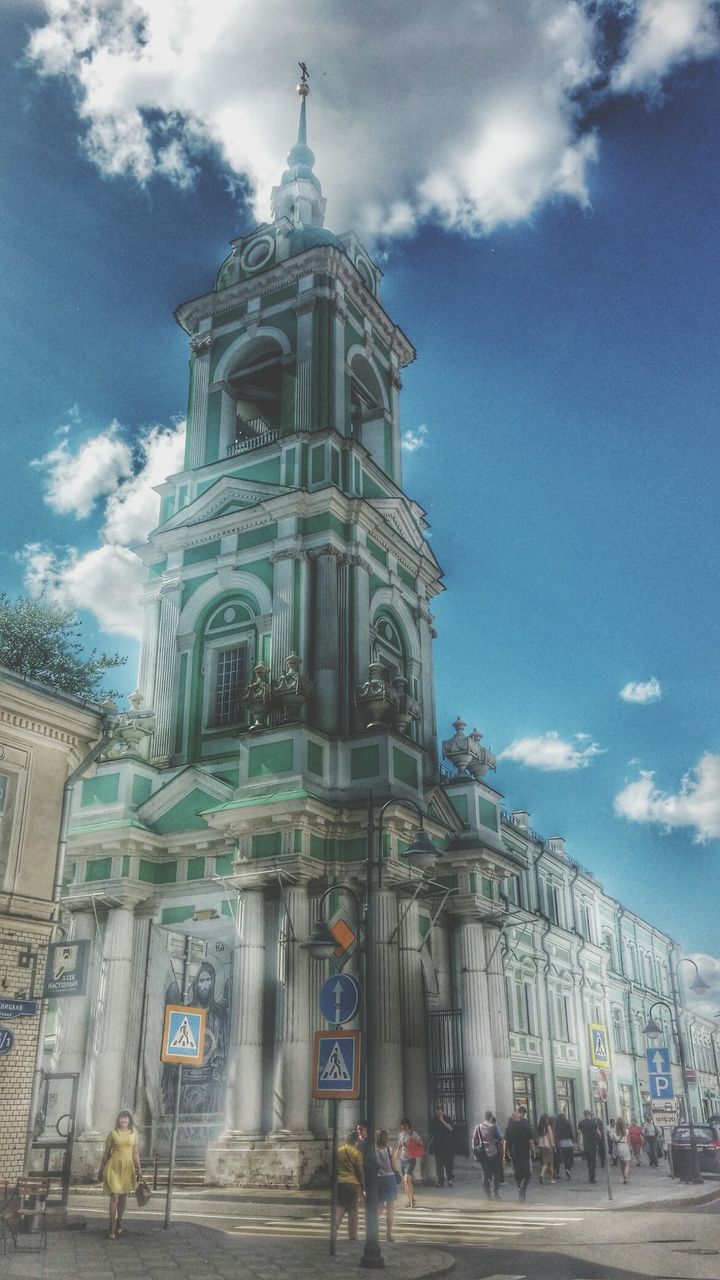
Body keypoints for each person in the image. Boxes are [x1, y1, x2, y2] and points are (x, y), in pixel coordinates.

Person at [98, 1110, 143, 1239]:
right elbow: (106, 1153)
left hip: (128, 1167)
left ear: (129, 1120)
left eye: (126, 1119)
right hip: (114, 1167)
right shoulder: (113, 1134)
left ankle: (119, 1221)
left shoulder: (134, 1133)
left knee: (123, 1197)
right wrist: (101, 1170)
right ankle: (112, 1226)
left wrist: (139, 1169)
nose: (123, 1121)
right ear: (118, 1120)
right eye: (121, 1118)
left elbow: (135, 1153)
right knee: (115, 1196)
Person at [336, 1131, 365, 1240]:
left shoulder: (339, 1151)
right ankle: (353, 1235)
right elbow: (359, 1171)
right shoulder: (357, 1153)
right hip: (353, 1184)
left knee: (341, 1206)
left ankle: (334, 1227)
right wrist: (363, 1183)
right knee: (353, 1209)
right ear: (355, 1141)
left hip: (340, 1183)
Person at [503, 1109, 536, 1201]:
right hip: (525, 1152)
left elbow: (505, 1142)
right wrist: (533, 1151)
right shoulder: (525, 1126)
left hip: (514, 1154)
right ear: (519, 1117)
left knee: (518, 1174)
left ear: (513, 1118)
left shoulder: (509, 1128)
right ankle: (522, 1188)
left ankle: (520, 1191)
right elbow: (530, 1141)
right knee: (527, 1173)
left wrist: (505, 1154)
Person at [473, 1110, 504, 1198]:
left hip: (483, 1153)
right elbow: (501, 1137)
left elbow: (474, 1140)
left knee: (485, 1173)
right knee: (496, 1173)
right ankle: (496, 1192)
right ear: (491, 1117)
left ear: (484, 1117)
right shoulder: (494, 1126)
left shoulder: (478, 1127)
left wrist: (475, 1150)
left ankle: (488, 1193)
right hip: (494, 1152)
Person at [375, 1129, 398, 1242]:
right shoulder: (390, 1150)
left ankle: (372, 1222)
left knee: (380, 1207)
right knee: (390, 1209)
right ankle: (388, 1233)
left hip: (378, 1180)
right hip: (389, 1179)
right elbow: (394, 1167)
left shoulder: (374, 1152)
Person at [394, 1118, 423, 1208]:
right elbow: (399, 1146)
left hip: (411, 1159)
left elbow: (421, 1142)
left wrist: (413, 1139)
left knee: (407, 1179)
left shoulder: (413, 1133)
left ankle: (413, 1199)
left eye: (405, 1125)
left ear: (408, 1125)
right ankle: (409, 1200)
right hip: (403, 1159)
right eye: (402, 1125)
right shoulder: (400, 1134)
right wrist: (395, 1156)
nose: (403, 1127)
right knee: (405, 1182)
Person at [429, 1105, 455, 1187]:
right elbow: (432, 1134)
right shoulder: (434, 1121)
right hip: (438, 1146)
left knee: (449, 1163)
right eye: (437, 1113)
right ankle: (441, 1182)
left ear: (443, 1112)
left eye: (439, 1112)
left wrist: (442, 1121)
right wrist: (430, 1145)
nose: (438, 1114)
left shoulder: (448, 1119)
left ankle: (450, 1180)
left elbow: (451, 1129)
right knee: (439, 1164)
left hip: (448, 1145)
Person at [577, 1110, 601, 1184]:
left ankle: (590, 1175)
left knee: (588, 1161)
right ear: (589, 1115)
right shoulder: (593, 1123)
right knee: (592, 1161)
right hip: (593, 1144)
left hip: (585, 1145)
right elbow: (599, 1133)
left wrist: (578, 1143)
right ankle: (592, 1178)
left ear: (584, 1115)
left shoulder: (581, 1123)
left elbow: (579, 1134)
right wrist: (600, 1137)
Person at [536, 1114, 556, 1184]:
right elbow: (550, 1137)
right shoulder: (548, 1127)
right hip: (548, 1147)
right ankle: (552, 1179)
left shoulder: (540, 1128)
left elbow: (538, 1138)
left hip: (542, 1147)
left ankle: (541, 1175)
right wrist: (553, 1146)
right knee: (551, 1163)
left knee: (544, 1163)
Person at [554, 1112, 574, 1179]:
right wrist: (573, 1139)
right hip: (568, 1142)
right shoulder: (568, 1123)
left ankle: (567, 1169)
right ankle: (568, 1169)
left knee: (565, 1158)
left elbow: (556, 1134)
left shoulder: (557, 1125)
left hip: (561, 1143)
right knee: (571, 1158)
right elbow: (571, 1132)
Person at [615, 1118, 632, 1184]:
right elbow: (629, 1141)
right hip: (625, 1146)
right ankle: (626, 1175)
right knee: (627, 1164)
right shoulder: (626, 1131)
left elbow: (614, 1140)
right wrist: (630, 1148)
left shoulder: (615, 1132)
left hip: (619, 1146)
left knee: (621, 1164)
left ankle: (624, 1177)